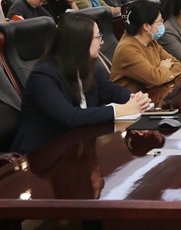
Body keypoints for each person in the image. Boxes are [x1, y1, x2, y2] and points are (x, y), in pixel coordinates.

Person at [11, 13, 151, 155]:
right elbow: (70, 117)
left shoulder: (86, 66)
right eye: (98, 37)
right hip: (41, 155)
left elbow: (112, 91)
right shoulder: (42, 76)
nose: (102, 42)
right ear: (81, 42)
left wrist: (135, 99)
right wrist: (123, 110)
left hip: (76, 146)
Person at [109, 0, 181, 91]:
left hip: (152, 93)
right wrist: (163, 67)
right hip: (131, 98)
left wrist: (160, 75)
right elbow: (156, 79)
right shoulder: (127, 49)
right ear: (146, 26)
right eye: (160, 21)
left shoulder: (151, 42)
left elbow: (177, 64)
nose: (162, 24)